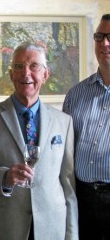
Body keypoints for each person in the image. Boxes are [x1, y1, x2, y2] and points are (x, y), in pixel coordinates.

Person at [0, 42, 78, 240]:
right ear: (11, 75)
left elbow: (67, 184)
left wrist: (72, 235)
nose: (25, 73)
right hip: (6, 228)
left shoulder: (64, 122)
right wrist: (5, 178)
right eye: (18, 67)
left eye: (34, 66)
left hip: (52, 228)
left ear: (45, 75)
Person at [63, 14, 110, 240]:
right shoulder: (76, 94)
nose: (104, 43)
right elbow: (63, 149)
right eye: (99, 36)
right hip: (81, 198)